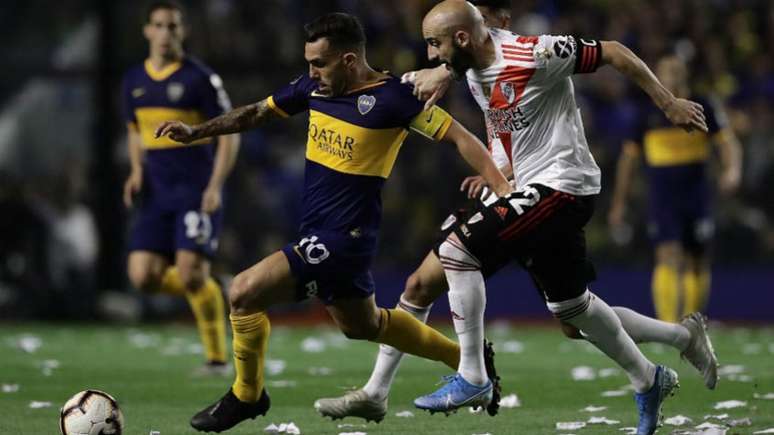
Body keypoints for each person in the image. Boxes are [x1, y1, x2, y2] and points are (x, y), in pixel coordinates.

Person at [314, 0, 719, 425]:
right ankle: (668, 352)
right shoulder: (467, 62)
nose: (431, 55)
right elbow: (498, 106)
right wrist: (497, 167)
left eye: (435, 45)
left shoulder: (537, 53)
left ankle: (472, 374)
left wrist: (669, 102)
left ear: (463, 37)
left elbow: (614, 50)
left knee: (457, 253)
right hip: (520, 185)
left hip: (563, 185)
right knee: (570, 310)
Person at [154, 12, 512, 433]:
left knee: (244, 292)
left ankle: (247, 395)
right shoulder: (314, 88)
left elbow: (460, 138)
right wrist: (197, 133)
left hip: (344, 238)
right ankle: (469, 360)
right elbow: (255, 113)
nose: (311, 73)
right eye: (308, 63)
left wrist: (502, 188)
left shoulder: (397, 98)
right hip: (319, 230)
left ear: (348, 60)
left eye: (319, 63)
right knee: (364, 325)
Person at [121, 0, 239, 374]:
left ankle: (217, 359)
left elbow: (230, 134)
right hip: (155, 192)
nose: (165, 33)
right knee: (143, 276)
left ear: (182, 31)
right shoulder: (133, 81)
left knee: (188, 273)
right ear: (146, 31)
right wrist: (136, 170)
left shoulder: (199, 78)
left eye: (172, 26)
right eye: (158, 25)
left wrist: (215, 185)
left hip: (193, 188)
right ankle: (212, 289)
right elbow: (134, 131)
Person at [609, 55, 742, 323]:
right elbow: (629, 160)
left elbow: (727, 142)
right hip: (663, 195)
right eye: (667, 71)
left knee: (697, 257)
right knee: (667, 254)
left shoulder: (703, 105)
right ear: (657, 76)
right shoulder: (647, 112)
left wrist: (732, 170)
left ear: (685, 75)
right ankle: (668, 324)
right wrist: (618, 203)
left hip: (696, 193)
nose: (673, 76)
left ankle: (694, 322)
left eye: (677, 71)